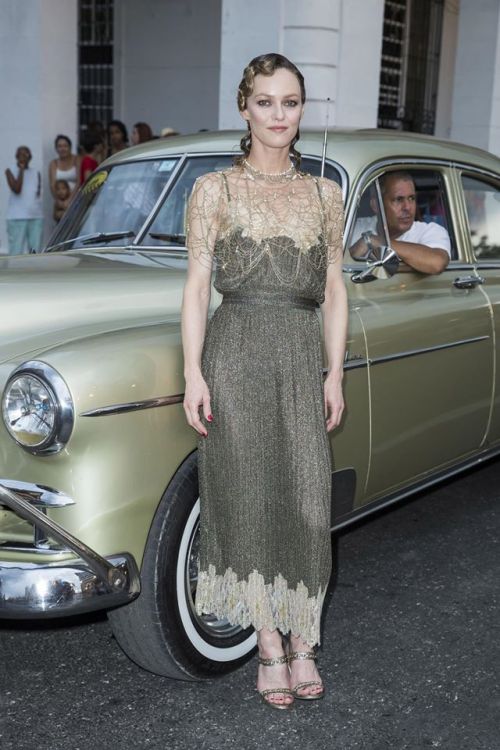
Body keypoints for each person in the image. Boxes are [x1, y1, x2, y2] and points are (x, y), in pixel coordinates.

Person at [181, 53, 347, 710]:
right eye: (267, 102)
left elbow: (334, 290)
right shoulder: (214, 191)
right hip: (236, 350)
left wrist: (334, 372)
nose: (280, 115)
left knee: (307, 497)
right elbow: (197, 288)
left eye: (292, 102)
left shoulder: (324, 195)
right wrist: (192, 370)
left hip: (302, 351)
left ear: (302, 111)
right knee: (246, 494)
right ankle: (270, 642)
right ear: (244, 109)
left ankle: (305, 633)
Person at [349, 171, 451, 274]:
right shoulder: (354, 228)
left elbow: (437, 263)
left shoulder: (430, 231)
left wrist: (374, 241)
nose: (407, 207)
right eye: (398, 200)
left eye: (411, 198)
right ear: (376, 205)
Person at [4, 145, 43, 254]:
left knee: (35, 252)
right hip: (16, 217)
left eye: (26, 154)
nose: (23, 157)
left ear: (30, 156)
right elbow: (17, 189)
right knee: (15, 252)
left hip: (35, 217)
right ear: (16, 156)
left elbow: (37, 193)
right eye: (21, 154)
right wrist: (21, 170)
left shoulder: (36, 172)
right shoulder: (9, 170)